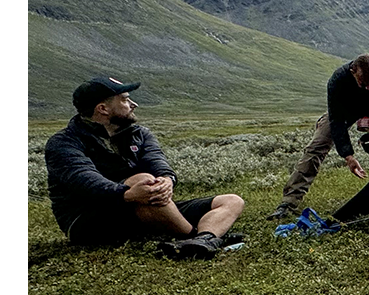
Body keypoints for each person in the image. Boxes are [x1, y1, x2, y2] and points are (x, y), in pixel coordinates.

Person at [44, 76, 246, 258]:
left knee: (231, 201)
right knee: (143, 180)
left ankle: (204, 239)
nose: (134, 104)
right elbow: (87, 183)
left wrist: (167, 180)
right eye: (124, 100)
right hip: (87, 221)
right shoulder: (64, 143)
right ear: (102, 109)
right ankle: (196, 236)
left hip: (145, 205)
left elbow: (157, 162)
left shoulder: (139, 134)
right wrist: (129, 194)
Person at [270, 54, 369, 218]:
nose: (368, 89)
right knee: (316, 147)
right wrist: (348, 156)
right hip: (346, 108)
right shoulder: (338, 80)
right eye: (362, 83)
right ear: (353, 72)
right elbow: (336, 122)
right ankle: (288, 204)